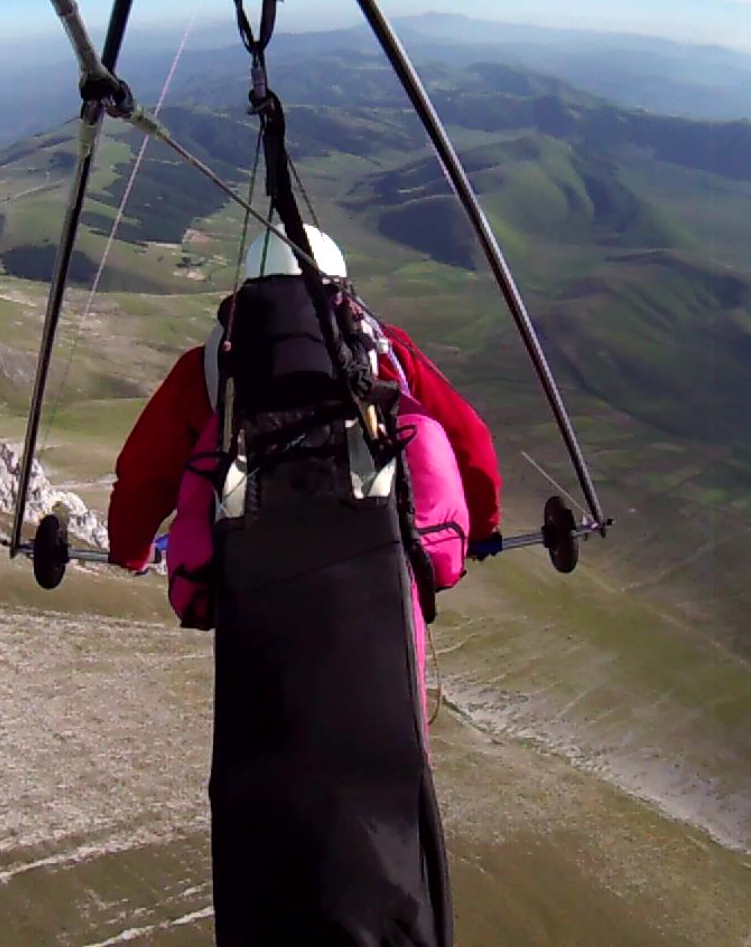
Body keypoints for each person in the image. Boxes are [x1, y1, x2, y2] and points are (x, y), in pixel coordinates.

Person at [107, 226, 501, 946]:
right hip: (381, 632)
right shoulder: (383, 352)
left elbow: (141, 477)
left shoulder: (213, 369)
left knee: (267, 821)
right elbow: (469, 439)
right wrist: (486, 527)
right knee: (388, 810)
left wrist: (130, 551)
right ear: (340, 291)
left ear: (245, 296)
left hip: (262, 647)